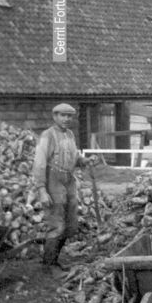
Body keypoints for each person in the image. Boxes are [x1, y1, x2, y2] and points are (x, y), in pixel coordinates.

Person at [33, 103, 92, 271]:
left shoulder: (70, 135)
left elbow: (73, 156)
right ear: (55, 117)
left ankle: (55, 260)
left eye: (69, 116)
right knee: (57, 224)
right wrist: (42, 190)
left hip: (69, 180)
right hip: (53, 181)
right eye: (62, 116)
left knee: (70, 224)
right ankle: (49, 265)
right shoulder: (48, 136)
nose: (66, 119)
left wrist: (84, 161)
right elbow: (39, 163)